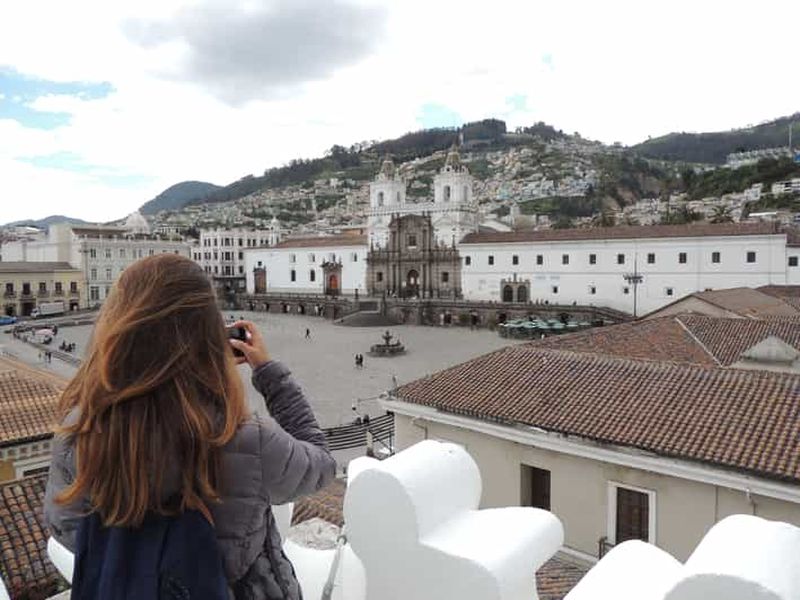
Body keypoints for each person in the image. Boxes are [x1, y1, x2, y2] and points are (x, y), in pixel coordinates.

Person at [44, 254, 335, 600]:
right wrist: (270, 374)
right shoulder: (245, 438)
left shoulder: (80, 430)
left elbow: (65, 527)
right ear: (209, 334)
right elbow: (320, 465)